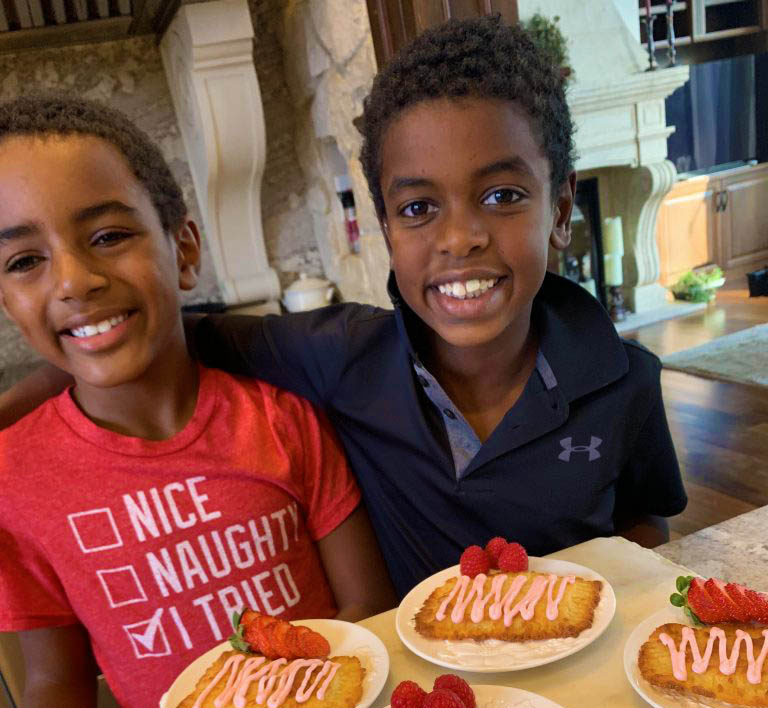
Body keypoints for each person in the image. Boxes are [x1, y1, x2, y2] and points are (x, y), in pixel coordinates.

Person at [0, 17, 686, 601]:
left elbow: (647, 522)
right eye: (417, 209)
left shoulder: (627, 380)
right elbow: (162, 335)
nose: (460, 237)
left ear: (561, 211)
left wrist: (615, 596)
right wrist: (41, 381)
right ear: (386, 227)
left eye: (503, 196)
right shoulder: (337, 358)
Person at [0, 95, 395, 708]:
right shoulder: (14, 477)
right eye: (25, 260)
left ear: (184, 248)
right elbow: (54, 679)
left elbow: (366, 612)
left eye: (109, 235)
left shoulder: (283, 420)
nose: (74, 280)